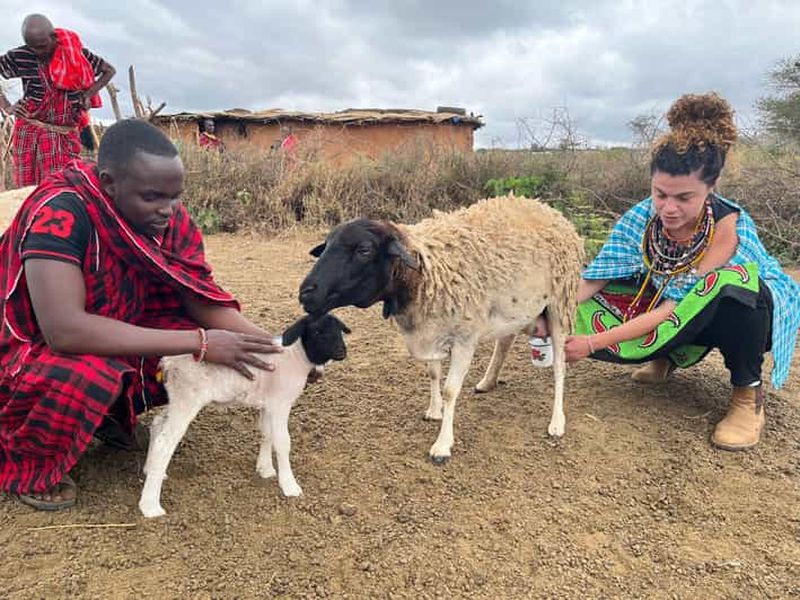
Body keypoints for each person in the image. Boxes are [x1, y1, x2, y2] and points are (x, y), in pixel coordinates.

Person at [0, 119, 284, 510]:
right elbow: (63, 330)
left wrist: (279, 349)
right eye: (152, 197)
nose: (167, 210)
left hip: (110, 324)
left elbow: (196, 296)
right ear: (109, 183)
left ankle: (106, 419)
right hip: (23, 350)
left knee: (185, 347)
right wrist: (199, 342)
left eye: (175, 197)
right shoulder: (62, 212)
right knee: (88, 376)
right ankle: (28, 462)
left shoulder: (165, 218)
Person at [560, 92, 800, 451]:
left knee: (736, 289)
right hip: (673, 305)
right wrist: (550, 311)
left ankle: (747, 397)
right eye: (660, 194)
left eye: (684, 198)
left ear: (711, 187)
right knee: (617, 278)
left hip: (737, 317)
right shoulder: (642, 217)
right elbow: (597, 275)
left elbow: (679, 307)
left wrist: (592, 342)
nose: (668, 209)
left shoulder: (726, 228)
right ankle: (667, 355)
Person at [0, 14, 115, 186]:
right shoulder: (21, 56)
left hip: (63, 134)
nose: (39, 53)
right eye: (33, 48)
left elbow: (109, 70)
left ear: (54, 36)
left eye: (42, 46)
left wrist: (88, 94)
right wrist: (7, 107)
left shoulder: (75, 54)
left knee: (61, 188)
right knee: (28, 191)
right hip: (30, 132)